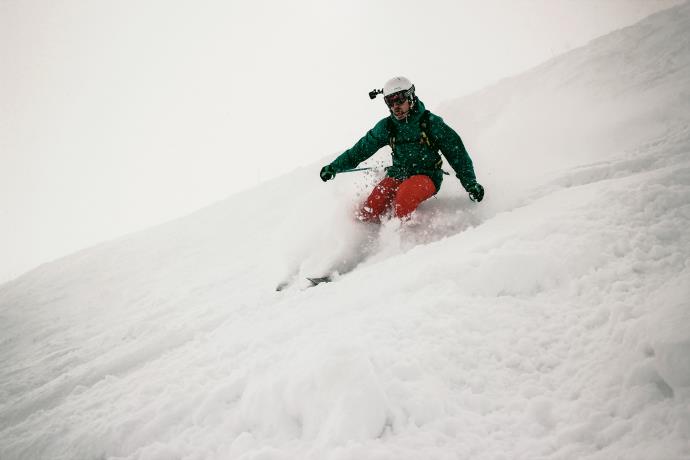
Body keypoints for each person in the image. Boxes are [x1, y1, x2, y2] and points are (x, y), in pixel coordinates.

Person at [320, 76, 484, 223]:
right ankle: (368, 245)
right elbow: (360, 150)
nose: (395, 106)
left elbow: (456, 153)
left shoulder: (430, 123)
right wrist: (334, 167)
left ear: (411, 97)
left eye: (399, 100)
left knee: (404, 197)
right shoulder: (387, 126)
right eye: (390, 102)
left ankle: (404, 243)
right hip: (398, 173)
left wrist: (471, 184)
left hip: (427, 175)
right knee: (372, 206)